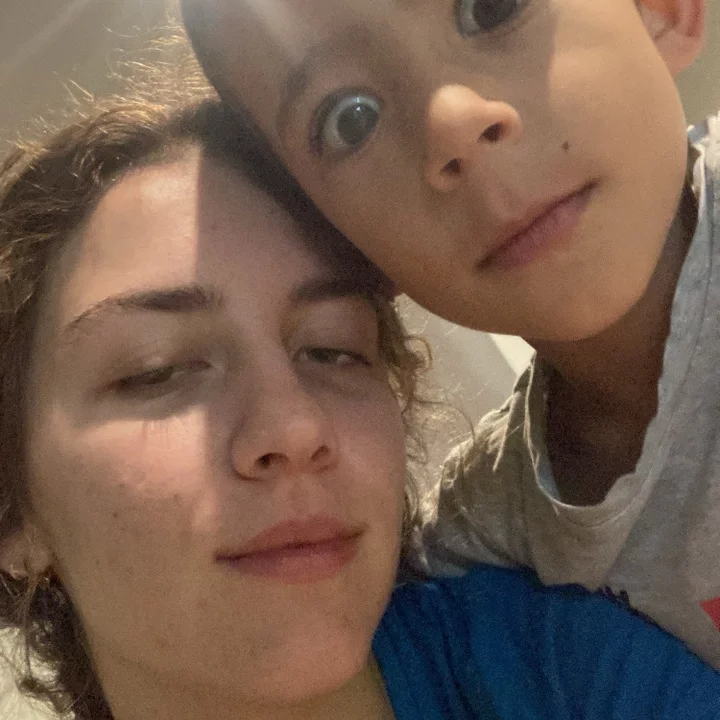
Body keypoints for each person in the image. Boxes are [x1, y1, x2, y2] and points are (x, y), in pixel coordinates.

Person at [1, 80, 720, 720]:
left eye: (332, 349)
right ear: (16, 517)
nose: (295, 425)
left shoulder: (557, 666)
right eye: (156, 371)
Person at [179, 0, 720, 664]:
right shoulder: (480, 542)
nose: (452, 123)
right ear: (345, 248)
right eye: (351, 120)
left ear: (662, 11)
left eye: (491, 10)